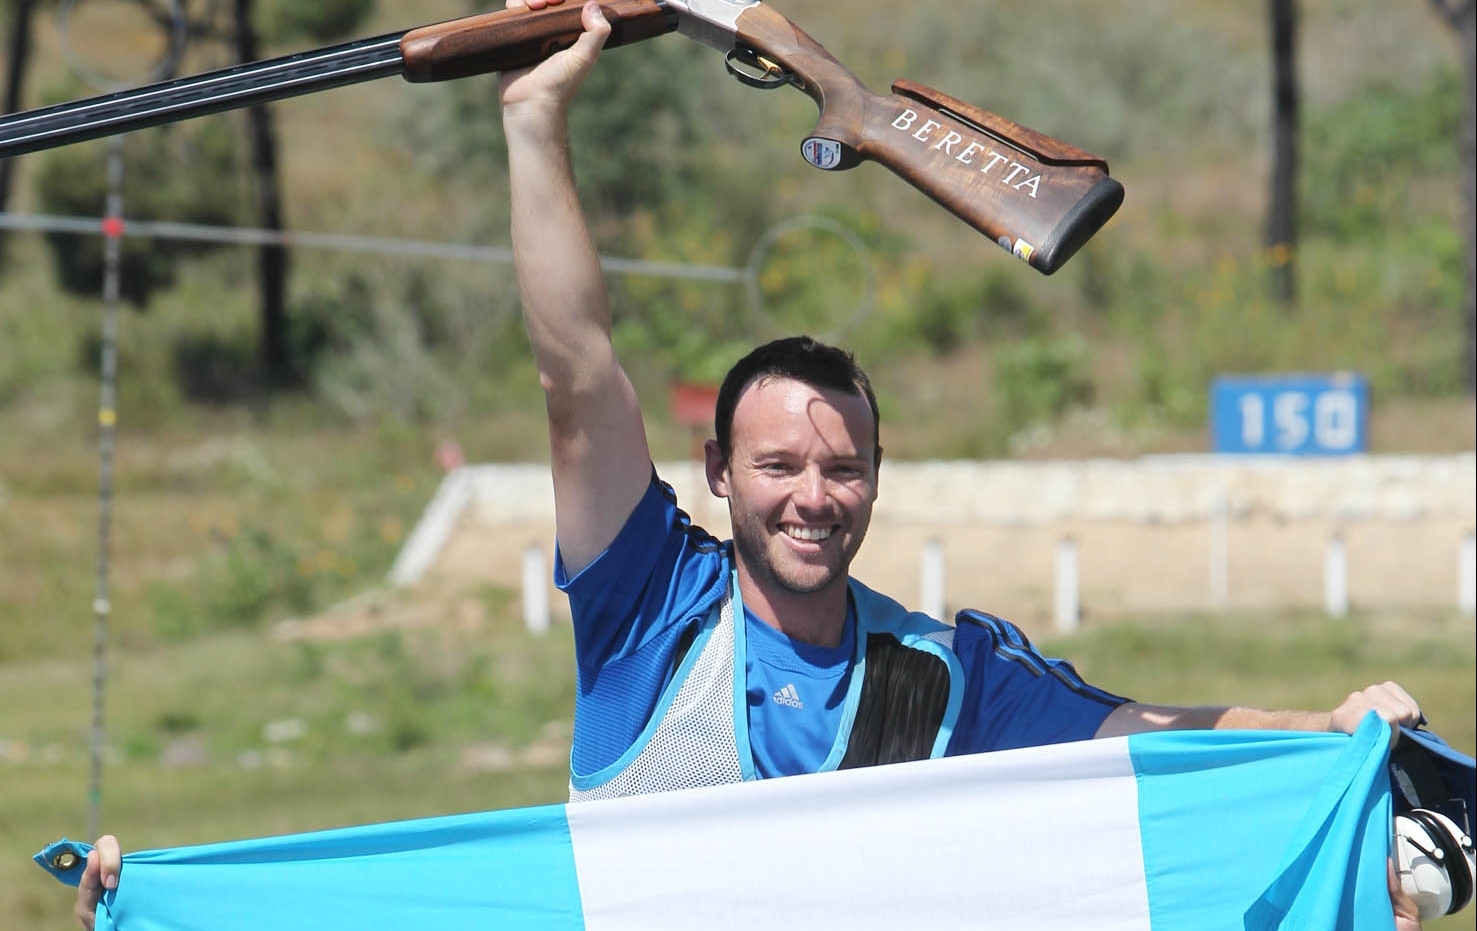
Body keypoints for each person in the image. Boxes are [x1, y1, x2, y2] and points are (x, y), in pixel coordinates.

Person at [74, 1, 1429, 927]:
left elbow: (1151, 742)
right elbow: (576, 370)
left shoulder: (946, 672)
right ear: (717, 477)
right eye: (777, 466)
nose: (811, 497)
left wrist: (1325, 732)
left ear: (878, 483)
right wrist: (532, 124)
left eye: (842, 470)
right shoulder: (647, 607)